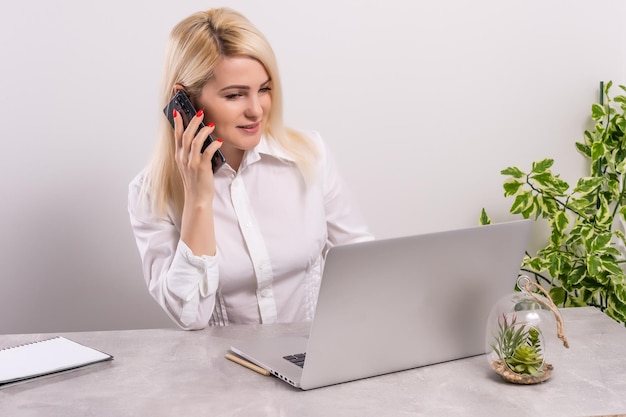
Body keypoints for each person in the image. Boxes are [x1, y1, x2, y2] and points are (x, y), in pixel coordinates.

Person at [128, 7, 373, 330]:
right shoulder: (151, 194)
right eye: (234, 95)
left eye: (265, 89)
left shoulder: (310, 155)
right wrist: (199, 200)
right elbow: (189, 316)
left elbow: (364, 263)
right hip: (221, 375)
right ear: (184, 101)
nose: (256, 110)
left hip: (313, 362)